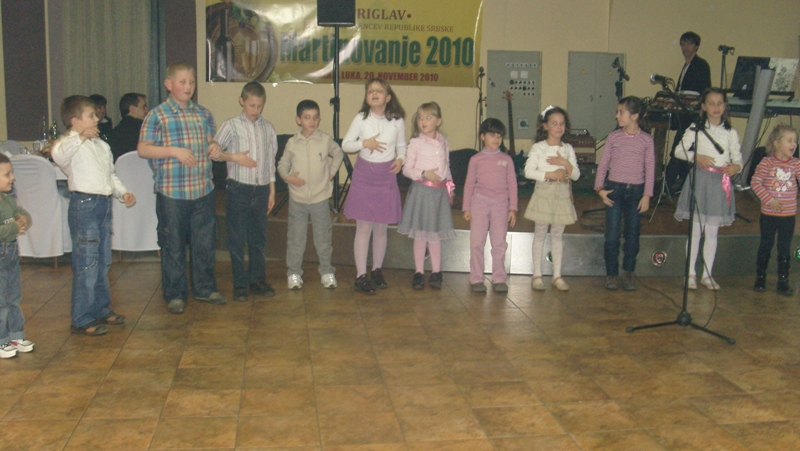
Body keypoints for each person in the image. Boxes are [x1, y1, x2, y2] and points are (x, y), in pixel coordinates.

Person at [138, 62, 226, 314]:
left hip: (203, 190)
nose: (188, 87)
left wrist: (214, 146)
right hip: (172, 192)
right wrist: (173, 151)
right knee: (173, 244)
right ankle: (175, 294)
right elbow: (143, 149)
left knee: (204, 243)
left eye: (192, 82)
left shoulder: (203, 114)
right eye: (182, 82)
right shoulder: (157, 115)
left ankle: (205, 288)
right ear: (169, 84)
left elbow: (210, 141)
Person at [52, 95, 136, 335]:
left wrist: (122, 192)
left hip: (104, 205)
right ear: (75, 121)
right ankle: (82, 318)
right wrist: (79, 137)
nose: (97, 118)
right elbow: (58, 155)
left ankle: (101, 309)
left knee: (102, 261)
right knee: (87, 263)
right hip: (85, 205)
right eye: (90, 116)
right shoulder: (69, 144)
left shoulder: (102, 146)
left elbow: (110, 175)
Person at [214, 82, 277, 302]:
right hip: (239, 189)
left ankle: (257, 280)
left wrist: (272, 190)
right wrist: (233, 157)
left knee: (258, 238)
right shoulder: (231, 126)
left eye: (259, 106)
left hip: (261, 189)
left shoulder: (268, 128)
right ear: (241, 101)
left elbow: (270, 162)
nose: (255, 110)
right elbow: (214, 152)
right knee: (237, 238)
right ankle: (240, 284)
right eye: (251, 105)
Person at [673, 88, 742, 291]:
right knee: (695, 231)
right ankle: (690, 274)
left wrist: (736, 167)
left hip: (719, 183)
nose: (716, 107)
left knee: (712, 232)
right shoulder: (696, 129)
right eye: (711, 103)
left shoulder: (730, 132)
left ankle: (707, 274)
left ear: (725, 106)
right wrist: (696, 156)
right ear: (703, 106)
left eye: (720, 103)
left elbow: (738, 158)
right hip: (700, 180)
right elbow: (678, 150)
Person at [342, 78, 406, 294]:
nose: (374, 93)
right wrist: (365, 143)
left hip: (386, 176)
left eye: (379, 91)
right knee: (364, 227)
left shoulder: (397, 120)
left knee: (381, 227)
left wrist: (401, 159)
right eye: (370, 91)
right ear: (366, 97)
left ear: (388, 98)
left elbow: (401, 145)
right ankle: (361, 275)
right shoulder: (361, 118)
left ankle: (376, 270)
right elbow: (346, 145)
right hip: (365, 175)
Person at [278, 100, 344, 290]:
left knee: (323, 239)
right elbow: (282, 164)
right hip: (297, 200)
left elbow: (338, 154)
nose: (312, 121)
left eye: (315, 117)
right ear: (298, 120)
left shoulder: (324, 139)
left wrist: (331, 173)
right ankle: (294, 273)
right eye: (307, 117)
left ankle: (327, 271)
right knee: (296, 239)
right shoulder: (292, 143)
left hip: (320, 199)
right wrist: (287, 177)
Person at [595, 96, 655, 291]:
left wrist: (647, 195)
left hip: (636, 191)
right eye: (617, 112)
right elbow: (603, 164)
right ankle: (611, 274)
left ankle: (629, 272)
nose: (617, 116)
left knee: (633, 234)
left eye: (621, 112)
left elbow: (650, 169)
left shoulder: (646, 140)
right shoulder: (614, 137)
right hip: (615, 189)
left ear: (635, 116)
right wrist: (599, 189)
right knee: (612, 235)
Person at [397, 101, 455, 290]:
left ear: (438, 121)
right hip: (422, 192)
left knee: (435, 234)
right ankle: (419, 272)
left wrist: (449, 186)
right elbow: (407, 169)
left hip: (438, 193)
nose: (424, 121)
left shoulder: (443, 141)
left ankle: (436, 272)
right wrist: (424, 174)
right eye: (420, 117)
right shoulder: (416, 142)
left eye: (429, 117)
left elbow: (446, 165)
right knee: (421, 234)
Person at [524, 106, 580, 291]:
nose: (558, 127)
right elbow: (529, 171)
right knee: (540, 233)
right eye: (554, 123)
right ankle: (537, 274)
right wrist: (551, 174)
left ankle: (557, 276)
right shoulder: (539, 147)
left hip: (562, 194)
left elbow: (576, 175)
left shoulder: (568, 149)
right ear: (545, 126)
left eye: (562, 123)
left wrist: (565, 163)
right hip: (544, 192)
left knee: (557, 235)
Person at [463, 118, 518, 293]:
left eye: (499, 136)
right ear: (482, 137)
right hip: (479, 203)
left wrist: (513, 208)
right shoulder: (476, 159)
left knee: (499, 242)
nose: (496, 139)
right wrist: (466, 207)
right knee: (476, 241)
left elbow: (512, 184)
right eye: (492, 135)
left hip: (501, 205)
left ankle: (499, 278)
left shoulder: (506, 159)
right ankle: (476, 278)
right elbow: (469, 183)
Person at [750, 124, 799, 296]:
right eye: (789, 140)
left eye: (795, 141)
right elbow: (755, 182)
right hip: (769, 215)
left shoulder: (796, 164)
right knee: (766, 245)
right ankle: (760, 278)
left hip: (788, 216)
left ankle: (783, 281)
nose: (794, 144)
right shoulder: (767, 162)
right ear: (777, 143)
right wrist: (769, 199)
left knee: (784, 248)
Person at [664, 31, 713, 195]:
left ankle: (667, 187)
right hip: (684, 116)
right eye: (683, 44)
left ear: (696, 46)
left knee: (680, 150)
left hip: (692, 116)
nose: (685, 47)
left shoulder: (701, 65)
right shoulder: (686, 65)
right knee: (684, 152)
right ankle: (683, 188)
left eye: (689, 44)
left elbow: (703, 91)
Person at [0, 154, 33, 357]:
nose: (12, 178)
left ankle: (15, 334)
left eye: (11, 173)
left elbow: (22, 213)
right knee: (0, 301)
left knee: (14, 297)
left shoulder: (8, 201)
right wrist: (14, 226)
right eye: (7, 174)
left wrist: (24, 220)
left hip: (10, 255)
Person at [108, 93, 148, 161]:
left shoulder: (114, 132)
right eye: (144, 107)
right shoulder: (144, 129)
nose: (147, 111)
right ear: (132, 109)